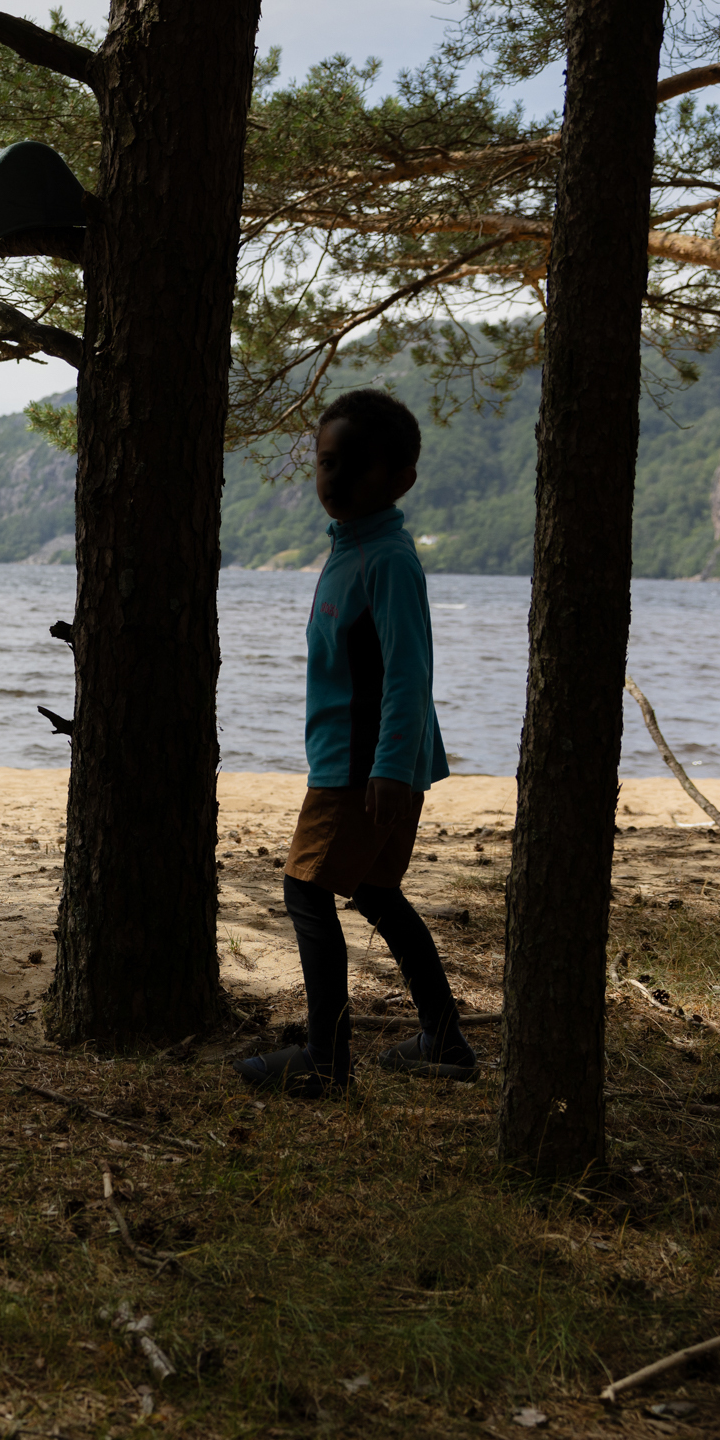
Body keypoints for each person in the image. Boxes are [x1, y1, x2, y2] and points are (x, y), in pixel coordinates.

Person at [238, 388, 477, 1096]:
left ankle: (326, 1058)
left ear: (400, 479)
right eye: (326, 462)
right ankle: (442, 1040)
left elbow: (410, 671)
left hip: (366, 768)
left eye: (357, 467)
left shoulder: (388, 560)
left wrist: (390, 767)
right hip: (367, 762)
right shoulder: (351, 549)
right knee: (375, 893)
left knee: (304, 890)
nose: (335, 480)